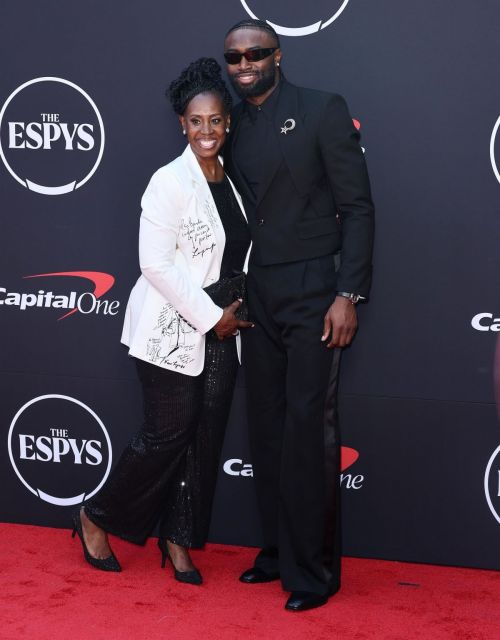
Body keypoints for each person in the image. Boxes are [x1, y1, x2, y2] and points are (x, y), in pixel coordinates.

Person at [71, 58, 252, 585]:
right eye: (196, 121)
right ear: (182, 124)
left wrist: (229, 316)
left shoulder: (232, 178)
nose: (207, 131)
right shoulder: (168, 181)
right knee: (167, 434)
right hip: (173, 328)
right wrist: (209, 316)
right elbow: (155, 264)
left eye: (216, 120)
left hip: (225, 328)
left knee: (205, 440)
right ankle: (94, 515)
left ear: (228, 122)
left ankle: (178, 540)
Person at [223, 19, 375, 610]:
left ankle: (313, 574)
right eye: (234, 57)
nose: (244, 65)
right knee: (266, 429)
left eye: (255, 53)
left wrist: (348, 295)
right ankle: (276, 554)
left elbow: (358, 208)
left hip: (316, 292)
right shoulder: (231, 128)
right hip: (258, 295)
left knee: (309, 431)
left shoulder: (322, 109)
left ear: (278, 55)